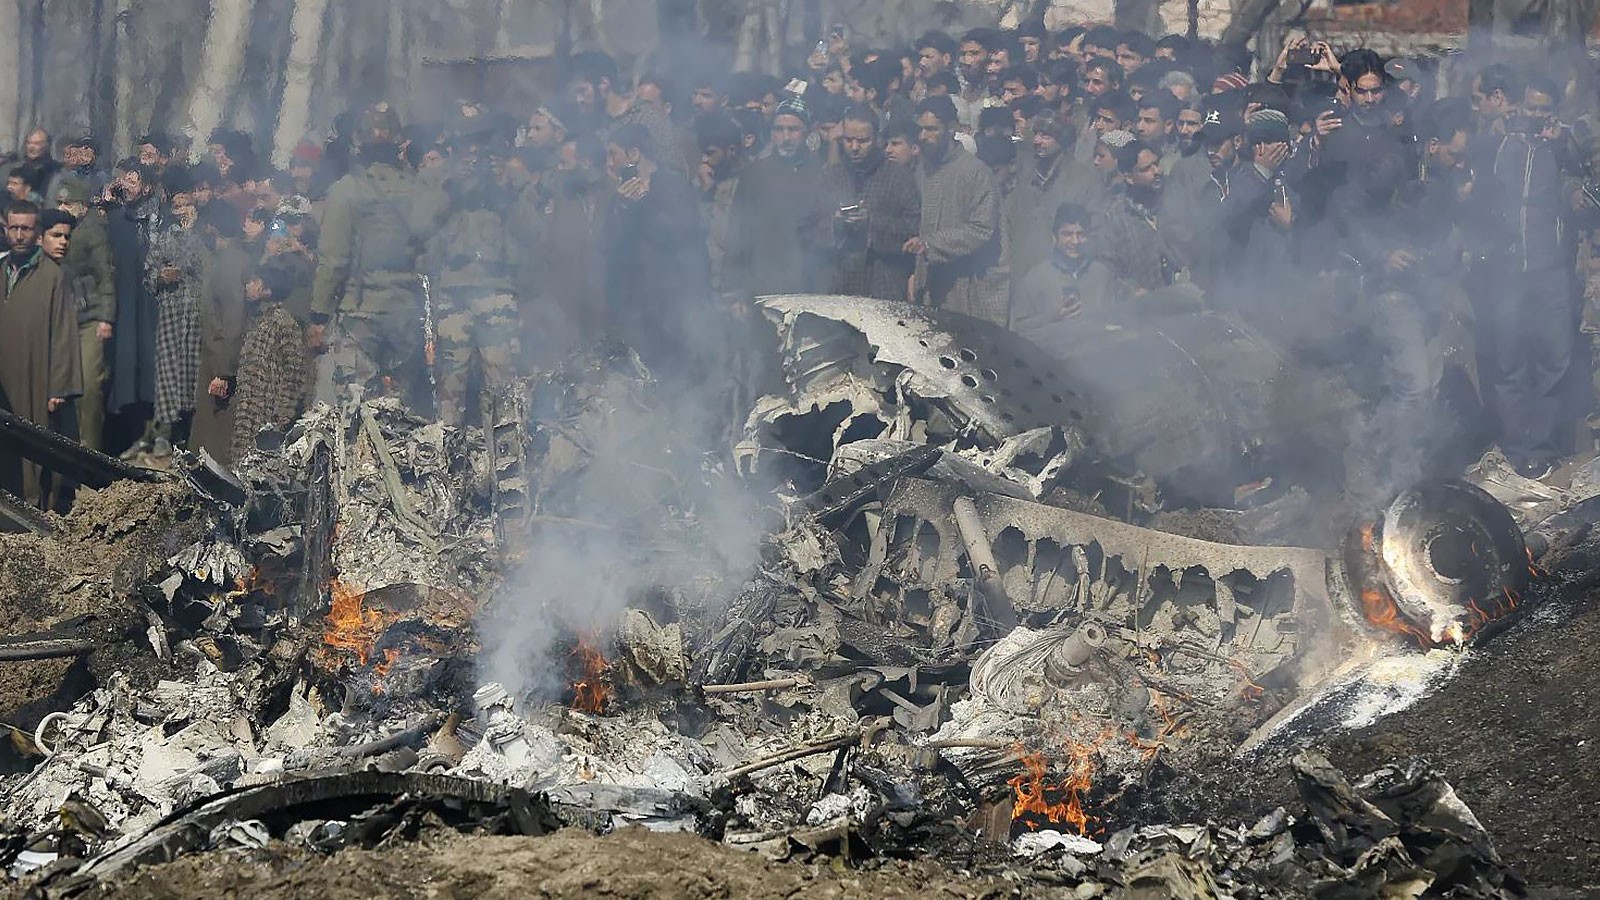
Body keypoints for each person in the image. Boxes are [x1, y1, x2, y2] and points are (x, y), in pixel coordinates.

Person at [309, 102, 429, 407]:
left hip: (359, 316)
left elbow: (333, 260)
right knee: (405, 413)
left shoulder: (347, 190)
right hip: (406, 313)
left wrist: (318, 316)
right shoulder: (420, 190)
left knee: (352, 413)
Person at [417, 126, 524, 428]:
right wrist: (451, 188)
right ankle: (447, 453)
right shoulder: (438, 180)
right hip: (454, 293)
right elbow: (419, 225)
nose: (474, 158)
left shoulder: (507, 181)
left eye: (481, 150)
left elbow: (533, 233)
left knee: (501, 379)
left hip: (497, 291)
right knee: (451, 380)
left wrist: (506, 190)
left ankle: (507, 453)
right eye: (467, 149)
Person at [0, 201, 81, 506]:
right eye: (14, 227)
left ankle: (35, 509)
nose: (19, 235)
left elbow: (64, 333)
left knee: (34, 446)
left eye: (26, 228)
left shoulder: (52, 276)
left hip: (37, 377)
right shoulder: (1, 269)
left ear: (36, 234)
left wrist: (58, 386)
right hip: (3, 378)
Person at [905, 96, 1007, 325]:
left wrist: (933, 244)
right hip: (928, 281)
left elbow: (981, 229)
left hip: (967, 285)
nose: (923, 136)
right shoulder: (922, 169)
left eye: (931, 129)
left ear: (951, 129)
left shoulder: (976, 173)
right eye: (920, 129)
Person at [823, 106, 921, 300]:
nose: (854, 147)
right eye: (848, 140)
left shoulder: (899, 176)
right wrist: (834, 223)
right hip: (839, 284)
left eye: (862, 141)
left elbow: (914, 228)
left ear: (877, 139)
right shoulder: (830, 175)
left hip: (884, 285)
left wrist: (871, 222)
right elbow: (809, 225)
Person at [1004, 108, 1105, 294]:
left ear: (1062, 140)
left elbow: (1095, 230)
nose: (1037, 141)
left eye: (1046, 136)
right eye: (1036, 134)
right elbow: (1008, 223)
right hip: (1022, 276)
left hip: (1065, 280)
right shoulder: (1024, 177)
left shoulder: (1084, 179)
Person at [54, 180, 116, 452]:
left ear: (81, 206)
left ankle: (90, 449)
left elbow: (106, 276)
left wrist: (106, 318)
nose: (63, 208)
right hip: (61, 318)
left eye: (68, 204)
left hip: (89, 318)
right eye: (60, 203)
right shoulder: (56, 228)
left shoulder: (93, 231)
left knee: (90, 386)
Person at [188, 203, 252, 465]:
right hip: (214, 356)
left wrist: (224, 371)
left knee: (216, 431)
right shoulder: (225, 261)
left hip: (221, 359)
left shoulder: (230, 265)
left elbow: (233, 319)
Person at [228, 266, 310, 463]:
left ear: (268, 289)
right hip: (248, 413)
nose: (248, 286)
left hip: (267, 417)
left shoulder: (284, 323)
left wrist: (281, 418)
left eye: (254, 282)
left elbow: (295, 374)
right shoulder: (259, 321)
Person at [1013, 201, 1120, 342]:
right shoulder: (1035, 278)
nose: (1075, 241)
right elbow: (1019, 329)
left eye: (1081, 234)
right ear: (1054, 237)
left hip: (1096, 354)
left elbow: (1115, 316)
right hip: (1054, 357)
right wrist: (1052, 317)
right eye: (1067, 234)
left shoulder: (1101, 273)